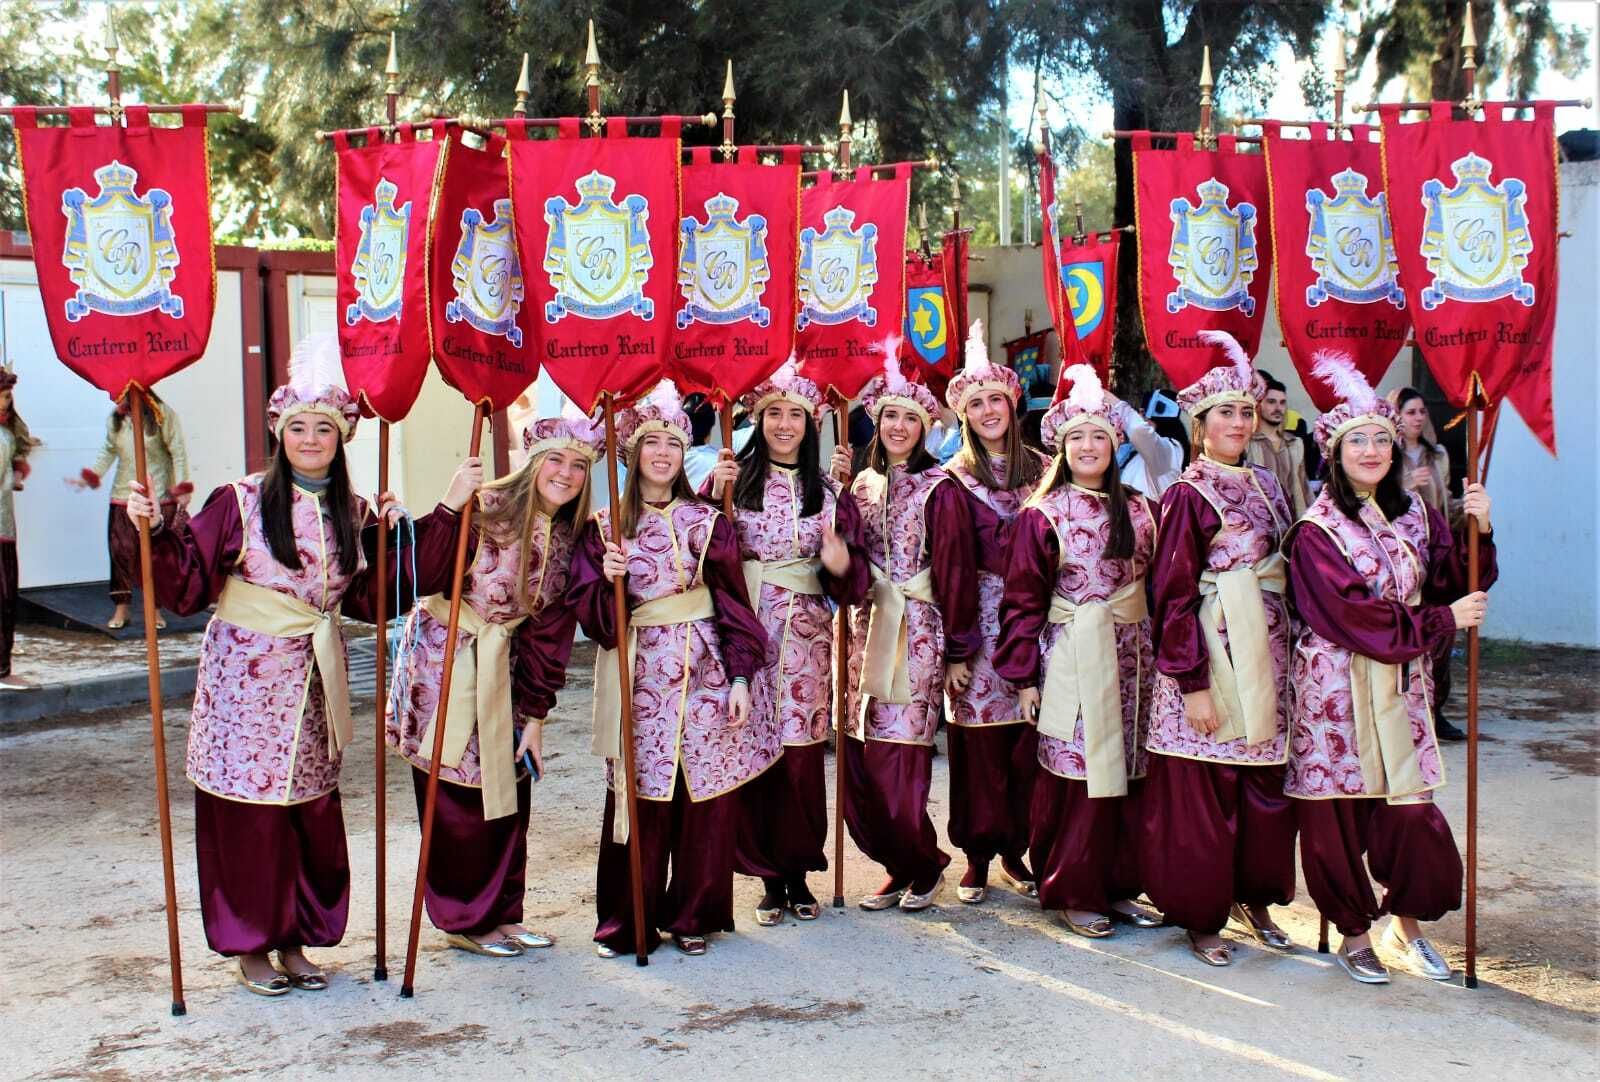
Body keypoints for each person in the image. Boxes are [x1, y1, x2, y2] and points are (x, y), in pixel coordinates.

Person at [127, 353, 406, 997]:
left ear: (342, 438)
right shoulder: (240, 501)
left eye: (325, 429)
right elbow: (187, 582)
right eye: (300, 428)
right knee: (249, 814)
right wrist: (154, 532)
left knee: (305, 814)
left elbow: (369, 600)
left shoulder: (355, 510)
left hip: (314, 681)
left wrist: (397, 539)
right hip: (243, 685)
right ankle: (251, 944)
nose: (311, 440)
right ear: (281, 433)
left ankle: (295, 939)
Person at [1286, 352, 1495, 985]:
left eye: (1382, 438)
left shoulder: (1415, 515)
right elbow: (1355, 618)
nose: (1373, 450)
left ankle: (1407, 925)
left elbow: (1450, 584)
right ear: (1336, 454)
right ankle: (1353, 933)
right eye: (1359, 442)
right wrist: (1440, 623)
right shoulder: (1315, 530)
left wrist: (1478, 530)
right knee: (1337, 813)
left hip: (1401, 684)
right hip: (1334, 687)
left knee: (1409, 808)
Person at [568, 381, 767, 958]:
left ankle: (694, 916)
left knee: (703, 799)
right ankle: (628, 921)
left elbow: (733, 604)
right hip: (639, 676)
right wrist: (607, 582)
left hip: (705, 668)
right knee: (640, 800)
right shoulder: (604, 528)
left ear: (685, 456)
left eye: (672, 445)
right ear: (631, 453)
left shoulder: (707, 522)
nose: (661, 454)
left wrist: (739, 677)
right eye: (650, 443)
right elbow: (599, 624)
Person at [389, 412, 599, 958]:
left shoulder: (569, 538)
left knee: (511, 784)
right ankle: (464, 917)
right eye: (556, 459)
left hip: (507, 666)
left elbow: (551, 635)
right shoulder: (485, 509)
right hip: (448, 662)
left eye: (579, 465)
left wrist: (535, 715)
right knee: (458, 790)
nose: (566, 473)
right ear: (533, 462)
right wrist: (450, 504)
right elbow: (425, 571)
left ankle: (504, 913)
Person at [1141, 330, 1298, 968]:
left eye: (1244, 410)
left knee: (1262, 785)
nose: (1237, 421)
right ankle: (1202, 914)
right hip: (1209, 652)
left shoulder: (1267, 482)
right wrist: (1192, 683)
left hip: (1269, 650)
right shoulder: (1186, 492)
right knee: (1205, 792)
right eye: (1222, 413)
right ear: (1199, 425)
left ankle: (1254, 897)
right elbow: (1171, 593)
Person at [997, 365, 1164, 937]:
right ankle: (1072, 886)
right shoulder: (1042, 515)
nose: (1089, 446)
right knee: (1077, 775)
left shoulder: (1141, 508)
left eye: (1099, 436)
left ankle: (1118, 885)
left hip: (1133, 657)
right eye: (1077, 438)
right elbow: (1021, 601)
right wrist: (1023, 678)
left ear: (1114, 445)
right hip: (1069, 653)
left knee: (1131, 774)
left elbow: (1161, 588)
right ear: (1061, 447)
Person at [706, 359, 869, 926]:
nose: (782, 424)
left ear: (810, 423)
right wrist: (711, 495)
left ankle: (799, 871)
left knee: (799, 757)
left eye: (793, 415)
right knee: (752, 752)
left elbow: (851, 579)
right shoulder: (730, 484)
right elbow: (704, 546)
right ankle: (767, 879)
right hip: (745, 632)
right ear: (758, 418)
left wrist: (840, 563)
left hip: (805, 640)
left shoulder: (828, 492)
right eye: (772, 413)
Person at [828, 357, 979, 912]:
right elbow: (843, 560)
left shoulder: (942, 489)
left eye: (909, 419)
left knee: (898, 764)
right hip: (864, 630)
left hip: (916, 632)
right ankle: (900, 863)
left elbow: (958, 572)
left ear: (924, 427)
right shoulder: (860, 485)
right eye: (889, 416)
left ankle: (924, 862)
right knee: (860, 769)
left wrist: (960, 652)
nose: (898, 427)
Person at [939, 323, 1048, 905]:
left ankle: (1018, 848)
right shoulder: (953, 481)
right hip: (980, 619)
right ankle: (978, 853)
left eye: (995, 401)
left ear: (1012, 404)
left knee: (1028, 743)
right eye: (975, 403)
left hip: (1039, 619)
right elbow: (952, 566)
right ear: (964, 414)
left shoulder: (1047, 469)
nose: (987, 411)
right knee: (979, 746)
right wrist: (958, 648)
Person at [69, 388, 191, 629]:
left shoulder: (163, 415)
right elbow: (108, 450)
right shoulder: (115, 418)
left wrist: (182, 486)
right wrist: (91, 476)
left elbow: (178, 451)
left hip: (157, 496)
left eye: (122, 393)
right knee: (120, 552)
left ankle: (155, 610)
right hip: (122, 496)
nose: (118, 399)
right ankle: (121, 608)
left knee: (155, 554)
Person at [1389, 386, 1465, 742]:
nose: (1418, 417)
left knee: (1443, 633)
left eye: (1422, 411)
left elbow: (1448, 501)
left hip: (1437, 551)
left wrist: (1468, 507)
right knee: (1409, 631)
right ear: (1397, 417)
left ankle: (1437, 708)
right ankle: (1405, 709)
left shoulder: (1438, 456)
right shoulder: (1386, 453)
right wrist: (1405, 483)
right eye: (1410, 412)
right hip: (1402, 553)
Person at [0, 365, 40, 690]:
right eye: (1, 395)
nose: (4, 402)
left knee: (5, 598)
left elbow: (20, 448)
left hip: (4, 526)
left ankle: (2, 667)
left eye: (7, 396)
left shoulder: (10, 430)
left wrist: (17, 471)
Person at [1248, 372, 1312, 516]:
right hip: (1259, 522)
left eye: (1282, 402)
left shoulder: (1295, 444)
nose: (1278, 408)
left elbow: (1304, 489)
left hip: (1292, 525)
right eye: (1271, 402)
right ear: (1258, 405)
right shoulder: (1247, 444)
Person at [1118, 390, 1187, 501]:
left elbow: (1138, 431)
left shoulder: (1170, 451)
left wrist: (1115, 403)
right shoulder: (1130, 451)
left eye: (1141, 413)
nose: (1138, 416)